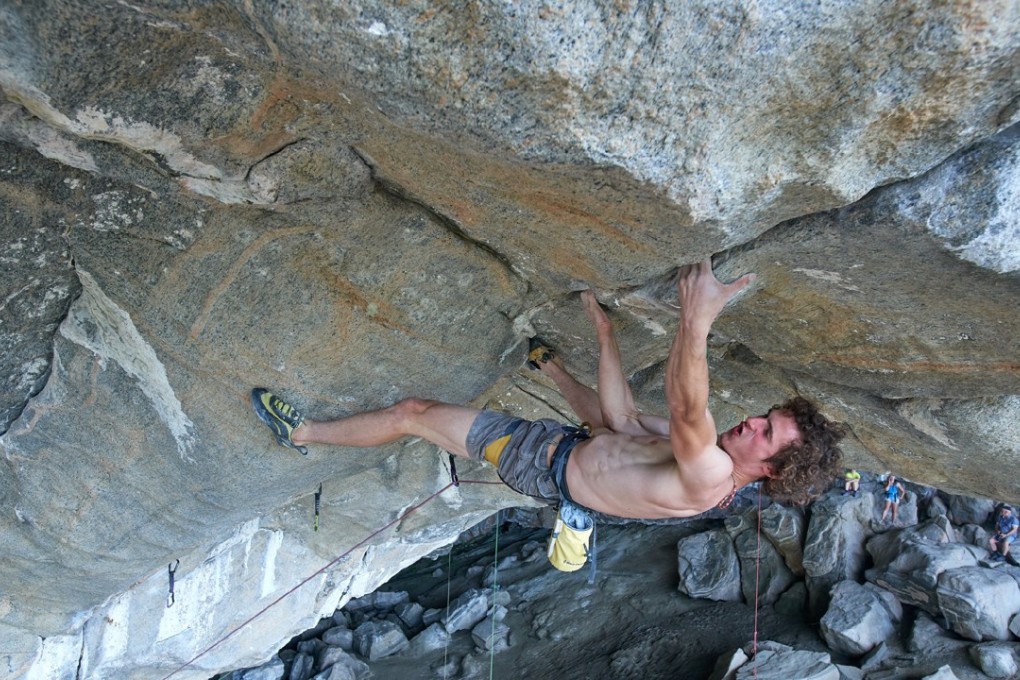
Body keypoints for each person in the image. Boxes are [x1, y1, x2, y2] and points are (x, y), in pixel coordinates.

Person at [252, 259, 845, 523]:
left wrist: (698, 319)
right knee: (609, 424)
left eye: (766, 435)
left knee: (414, 413)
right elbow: (620, 419)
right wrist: (605, 333)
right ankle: (552, 369)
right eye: (766, 416)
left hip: (536, 463)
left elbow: (689, 406)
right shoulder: (713, 458)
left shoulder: (712, 477)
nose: (753, 423)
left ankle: (302, 433)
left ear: (770, 471)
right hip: (562, 449)